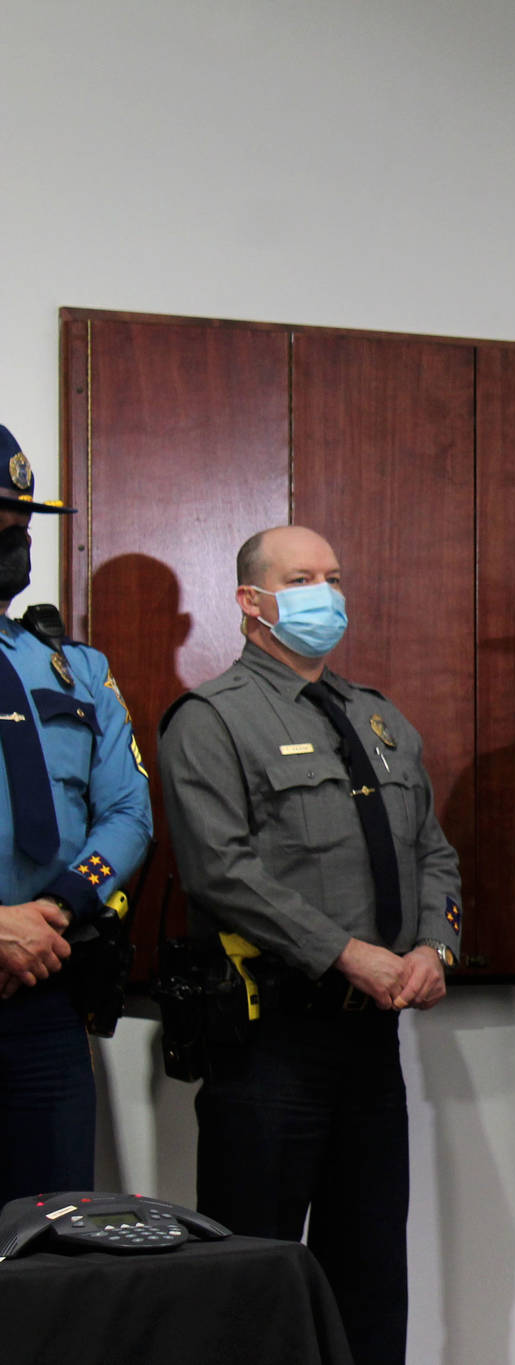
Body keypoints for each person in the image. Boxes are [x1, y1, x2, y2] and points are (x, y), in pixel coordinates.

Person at [157, 525, 462, 1365]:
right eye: (301, 578)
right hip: (269, 1044)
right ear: (252, 602)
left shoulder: (378, 718)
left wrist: (436, 946)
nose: (325, 594)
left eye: (333, 574)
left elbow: (433, 849)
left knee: (370, 1278)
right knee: (251, 1281)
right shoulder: (211, 720)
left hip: (370, 1041)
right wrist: (346, 953)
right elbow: (221, 870)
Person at [0, 426, 151, 1203]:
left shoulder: (73, 666)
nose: (11, 545)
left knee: (52, 1247)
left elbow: (128, 812)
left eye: (19, 529)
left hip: (43, 996)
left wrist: (53, 911)